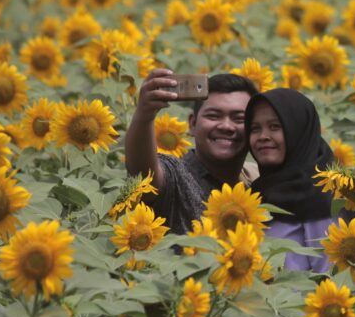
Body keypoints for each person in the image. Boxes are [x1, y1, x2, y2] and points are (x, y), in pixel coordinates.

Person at [125, 68, 258, 235]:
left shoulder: (256, 179)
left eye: (239, 119)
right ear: (192, 124)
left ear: (255, 127)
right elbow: (144, 175)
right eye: (214, 116)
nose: (226, 126)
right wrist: (144, 115)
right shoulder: (177, 176)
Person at [245, 87, 340, 272]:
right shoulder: (256, 193)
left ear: (297, 130)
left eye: (275, 126)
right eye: (255, 129)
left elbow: (331, 274)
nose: (263, 136)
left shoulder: (320, 193)